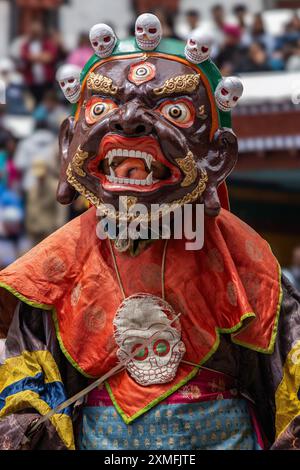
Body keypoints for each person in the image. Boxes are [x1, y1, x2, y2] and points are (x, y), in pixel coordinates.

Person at [1, 13, 300, 451]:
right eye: (100, 109)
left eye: (174, 111)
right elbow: (29, 374)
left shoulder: (250, 265)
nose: (129, 122)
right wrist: (24, 422)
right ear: (70, 145)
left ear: (218, 156)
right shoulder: (52, 270)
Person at [21, 21, 59, 104]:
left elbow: (50, 57)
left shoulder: (47, 43)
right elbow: (25, 56)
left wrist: (34, 57)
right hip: (31, 82)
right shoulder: (26, 45)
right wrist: (41, 56)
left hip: (47, 81)